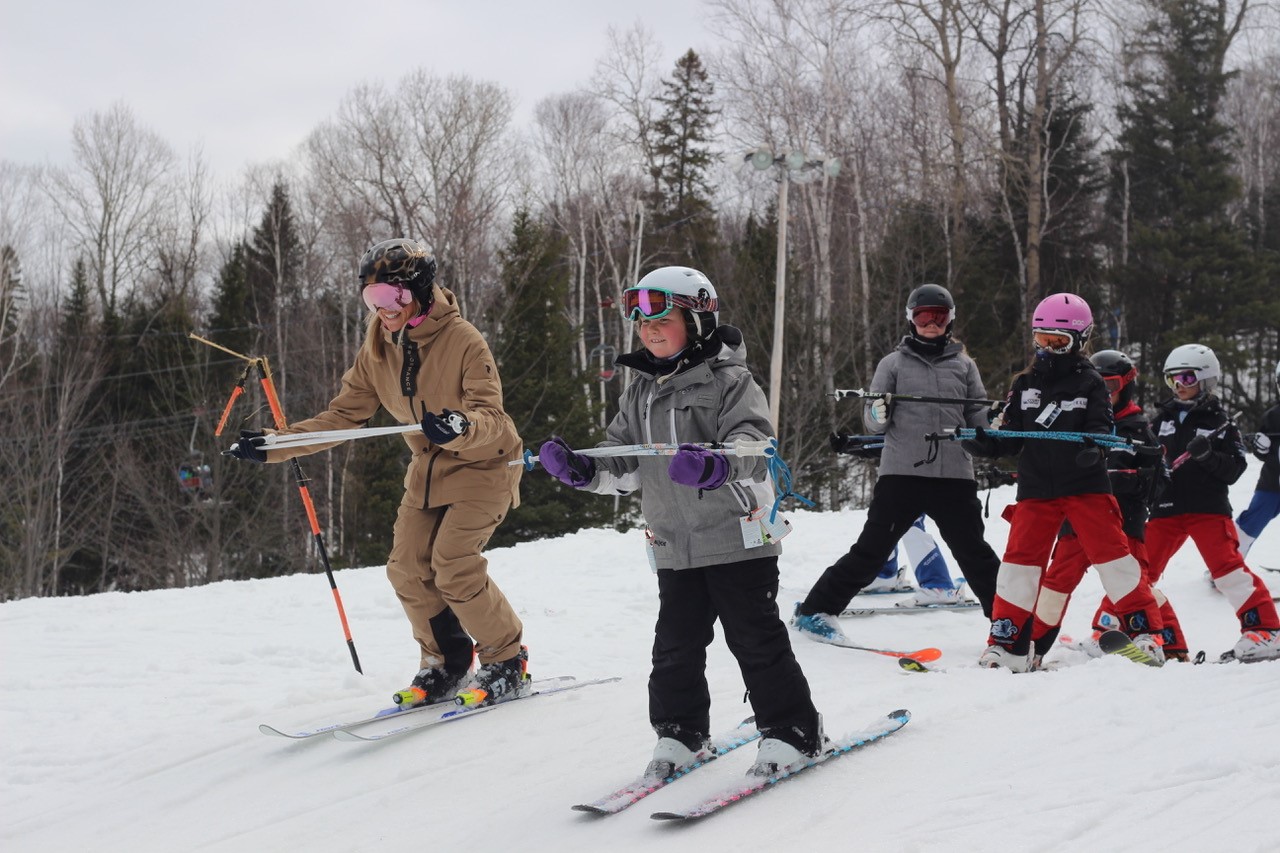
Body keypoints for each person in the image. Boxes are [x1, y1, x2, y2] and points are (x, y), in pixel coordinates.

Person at [537, 266, 823, 778]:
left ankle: (793, 731)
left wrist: (715, 465)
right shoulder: (639, 392)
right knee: (674, 649)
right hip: (673, 545)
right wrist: (582, 470)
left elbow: (755, 446)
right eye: (642, 321)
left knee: (755, 641)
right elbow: (621, 461)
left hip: (737, 538)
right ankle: (681, 733)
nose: (648, 329)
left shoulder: (731, 382)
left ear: (697, 320)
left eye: (661, 318)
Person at [227, 238, 528, 705]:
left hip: (483, 465)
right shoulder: (378, 344)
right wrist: (275, 445)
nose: (383, 308)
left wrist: (460, 425)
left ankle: (507, 660)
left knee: (453, 565)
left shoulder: (464, 341)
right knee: (406, 568)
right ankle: (445, 662)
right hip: (428, 469)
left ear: (421, 291)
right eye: (373, 298)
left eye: (393, 296)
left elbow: (495, 419)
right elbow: (344, 416)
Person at [963, 294, 1166, 671]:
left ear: (1080, 339)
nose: (1049, 348)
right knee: (1018, 567)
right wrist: (983, 441)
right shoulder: (1024, 384)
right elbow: (1010, 436)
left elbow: (1101, 427)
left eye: (1059, 341)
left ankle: (1144, 633)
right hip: (1037, 489)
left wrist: (1094, 447)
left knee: (1115, 559)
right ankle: (1007, 644)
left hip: (1085, 488)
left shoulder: (1091, 382)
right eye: (1042, 339)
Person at [792, 283, 1000, 641]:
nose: (931, 323)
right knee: (871, 552)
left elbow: (976, 415)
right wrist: (876, 411)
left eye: (939, 316)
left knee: (975, 554)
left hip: (954, 475)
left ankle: (1009, 621)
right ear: (911, 320)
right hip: (902, 475)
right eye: (923, 316)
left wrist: (991, 429)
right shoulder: (893, 364)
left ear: (950, 321)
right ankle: (815, 610)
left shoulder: (964, 366)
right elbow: (872, 422)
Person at [1030, 350, 1187, 662]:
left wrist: (1132, 482)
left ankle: (1161, 641)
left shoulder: (1138, 429)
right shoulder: (1074, 423)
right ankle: (1031, 646)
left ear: (1126, 386)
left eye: (1111, 386)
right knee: (1055, 584)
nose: (1102, 393)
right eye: (1095, 385)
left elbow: (1161, 481)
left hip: (1122, 522)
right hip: (1077, 521)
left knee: (1133, 583)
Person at [1145, 344, 1280, 661]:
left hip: (1208, 508)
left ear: (1205, 380)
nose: (1179, 385)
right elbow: (1144, 462)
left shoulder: (1221, 422)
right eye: (1172, 379)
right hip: (1165, 509)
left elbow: (1234, 469)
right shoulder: (1158, 422)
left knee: (1227, 570)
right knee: (1138, 571)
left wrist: (1207, 456)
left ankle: (1264, 630)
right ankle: (1126, 628)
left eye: (1187, 377)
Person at [828, 433, 964, 602]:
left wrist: (853, 444)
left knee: (911, 526)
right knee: (886, 522)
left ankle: (939, 585)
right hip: (903, 473)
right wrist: (852, 443)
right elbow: (892, 440)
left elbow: (907, 440)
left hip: (925, 474)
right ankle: (884, 574)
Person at [1234, 360, 1280, 559]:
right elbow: (1263, 452)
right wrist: (1262, 447)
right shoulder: (1273, 416)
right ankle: (1226, 566)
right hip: (1272, 483)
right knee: (1250, 522)